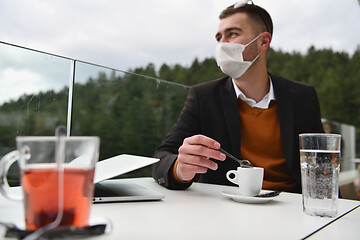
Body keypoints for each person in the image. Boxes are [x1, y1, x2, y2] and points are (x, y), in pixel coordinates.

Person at [152, 1, 324, 193]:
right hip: (228, 209)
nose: (222, 44)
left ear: (263, 42)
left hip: (292, 207)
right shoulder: (204, 97)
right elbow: (162, 156)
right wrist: (179, 169)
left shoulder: (303, 97)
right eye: (219, 37)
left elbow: (322, 165)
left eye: (232, 34)